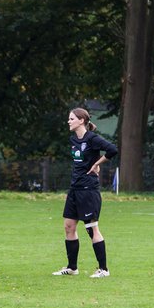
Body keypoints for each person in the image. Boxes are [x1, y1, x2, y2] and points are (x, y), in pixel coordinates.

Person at [55, 107, 119, 278]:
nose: (68, 121)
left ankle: (103, 269)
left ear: (81, 120)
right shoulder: (73, 140)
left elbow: (112, 150)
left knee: (91, 229)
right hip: (75, 189)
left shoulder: (92, 139)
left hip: (88, 190)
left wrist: (98, 163)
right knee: (69, 227)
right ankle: (72, 267)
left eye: (71, 119)